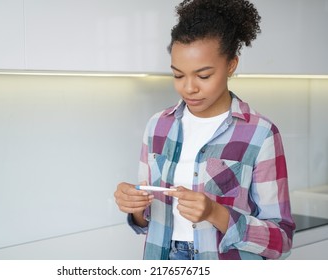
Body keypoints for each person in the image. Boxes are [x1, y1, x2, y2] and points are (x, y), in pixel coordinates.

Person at [114, 0, 295, 260]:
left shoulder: (260, 133)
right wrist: (134, 207)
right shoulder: (158, 125)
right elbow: (147, 219)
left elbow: (282, 240)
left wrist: (215, 213)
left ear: (231, 64)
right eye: (178, 75)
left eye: (204, 75)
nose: (189, 88)